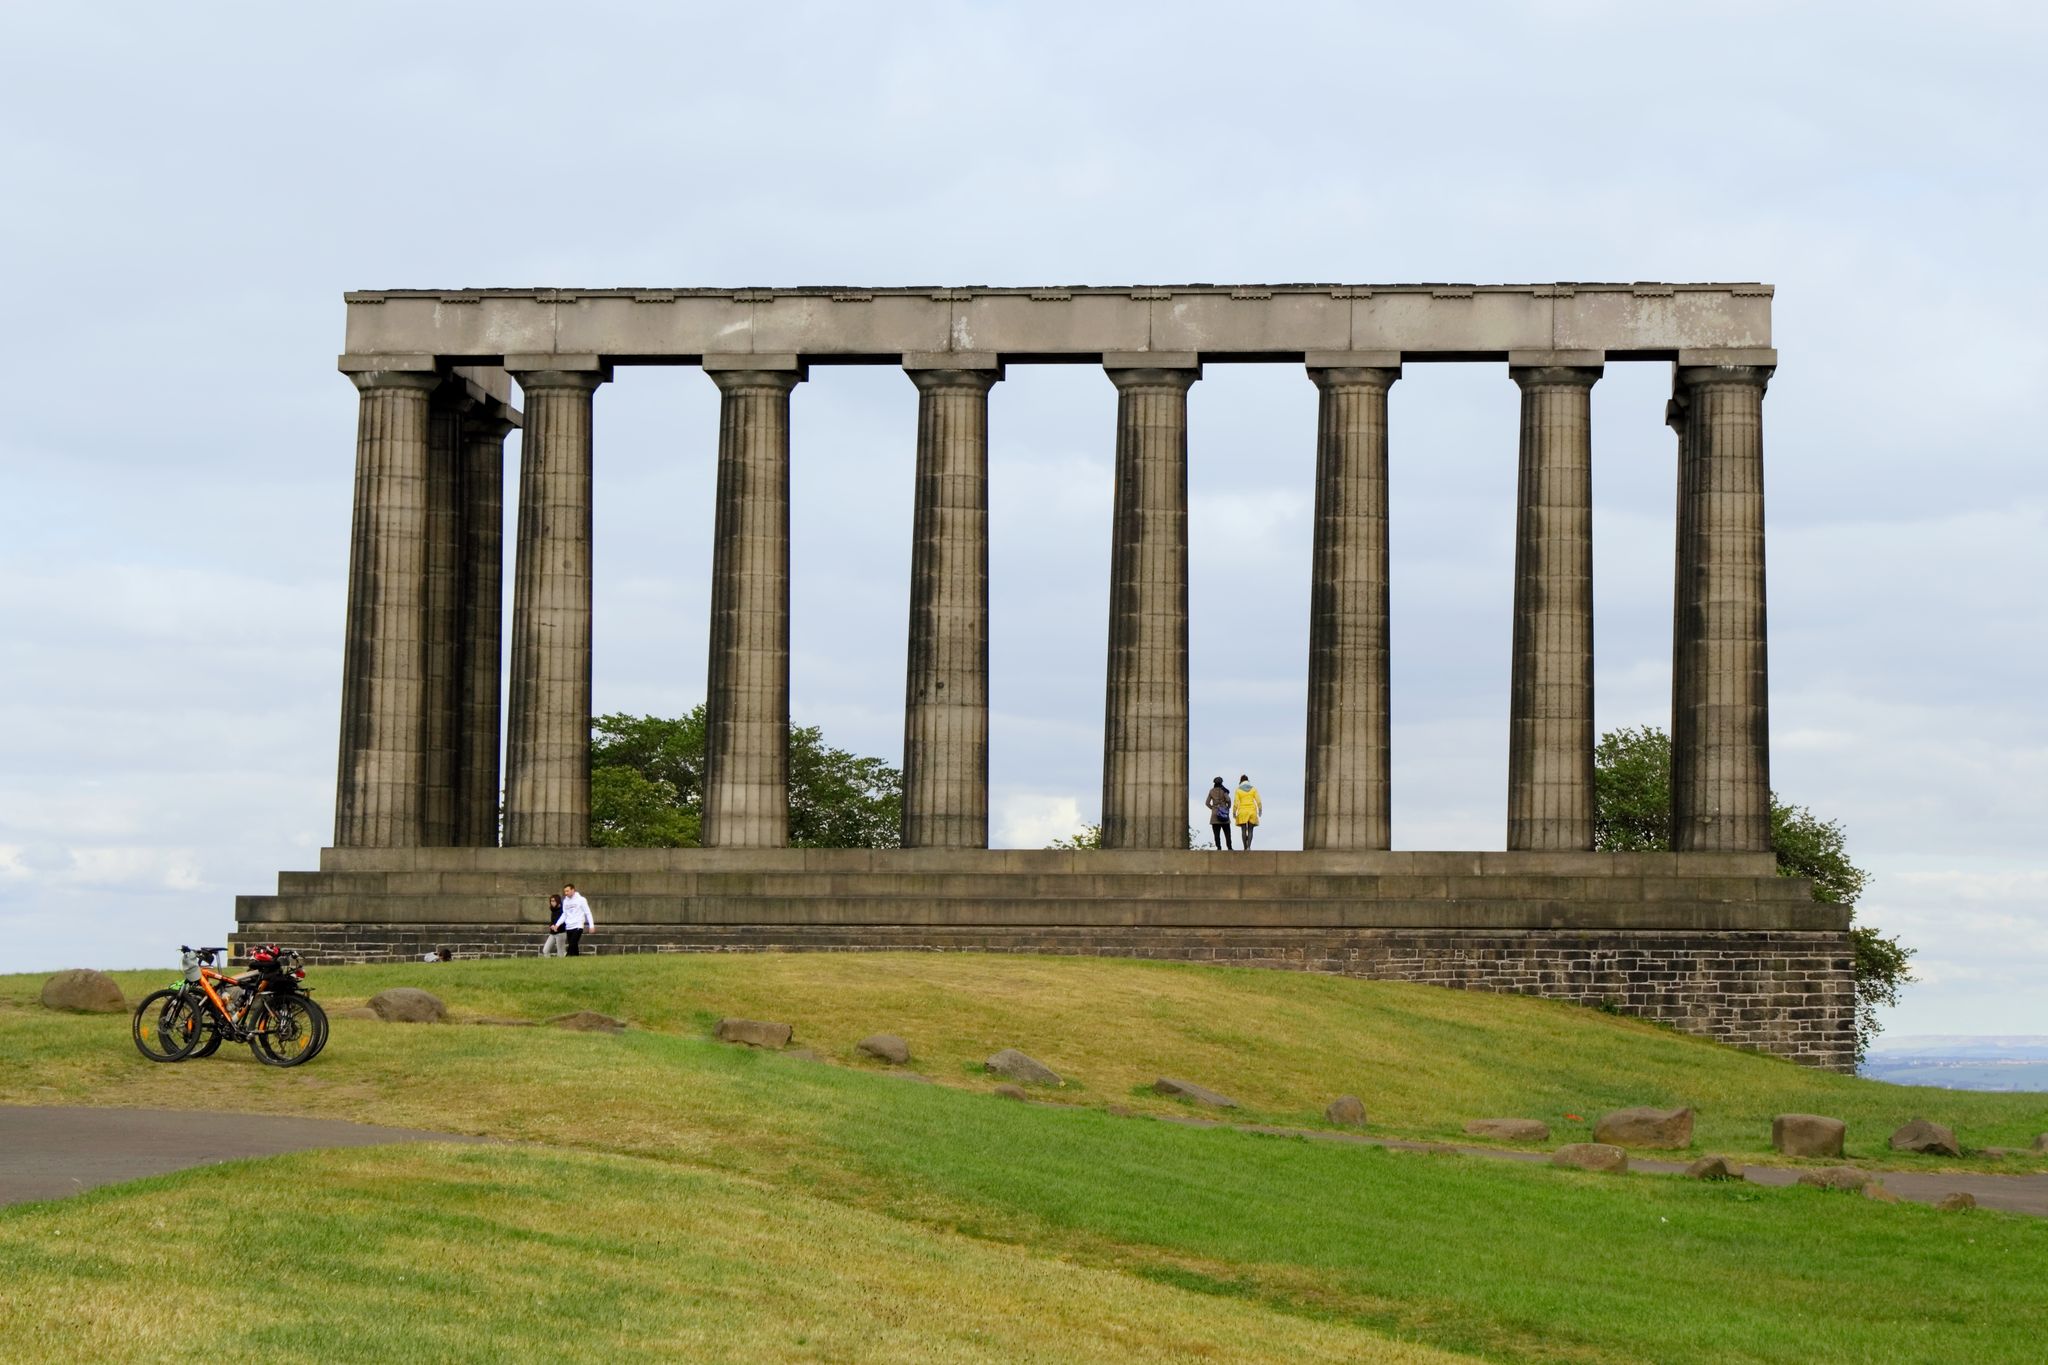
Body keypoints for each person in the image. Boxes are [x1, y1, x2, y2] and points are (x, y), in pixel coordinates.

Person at [556, 883, 595, 956]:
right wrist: (557, 924)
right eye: (565, 891)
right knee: (574, 946)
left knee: (572, 944)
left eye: (567, 891)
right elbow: (564, 914)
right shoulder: (565, 901)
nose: (566, 893)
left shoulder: (581, 900)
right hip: (569, 926)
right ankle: (576, 959)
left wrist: (591, 925)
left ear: (573, 890)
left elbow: (588, 913)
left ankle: (567, 958)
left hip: (578, 926)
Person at [1232, 775, 1263, 849]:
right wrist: (1260, 810)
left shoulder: (1238, 790)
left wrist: (1234, 812)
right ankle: (1249, 846)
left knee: (1243, 830)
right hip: (1252, 811)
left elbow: (1236, 802)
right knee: (1250, 830)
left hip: (1242, 811)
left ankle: (1245, 847)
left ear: (1241, 781)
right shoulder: (1253, 789)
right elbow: (1258, 800)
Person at [1204, 776, 1234, 850]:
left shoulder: (1211, 791)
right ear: (1221, 783)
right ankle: (1229, 847)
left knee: (1216, 833)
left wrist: (1213, 808)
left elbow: (1207, 803)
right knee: (1227, 833)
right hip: (1223, 813)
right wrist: (1228, 807)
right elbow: (1228, 800)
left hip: (1215, 814)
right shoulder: (1223, 790)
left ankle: (1219, 847)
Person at [541, 894, 567, 958]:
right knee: (545, 950)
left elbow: (564, 922)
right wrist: (551, 926)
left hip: (560, 933)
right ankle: (548, 965)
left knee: (560, 953)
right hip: (553, 933)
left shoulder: (562, 910)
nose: (552, 902)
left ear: (558, 901)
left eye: (554, 901)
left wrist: (556, 926)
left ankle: (562, 965)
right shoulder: (553, 910)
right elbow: (552, 922)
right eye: (551, 901)